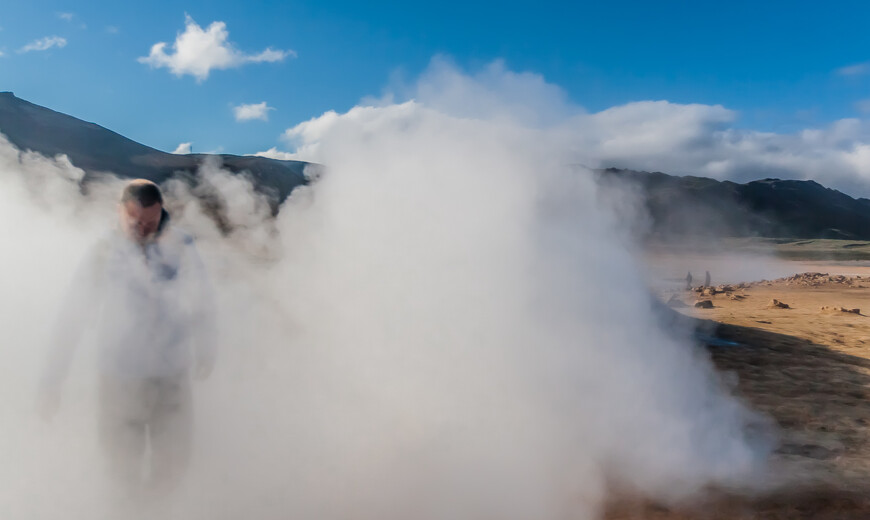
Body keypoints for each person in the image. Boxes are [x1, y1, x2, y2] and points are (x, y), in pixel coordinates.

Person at [38, 179, 217, 497]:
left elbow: (202, 299)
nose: (144, 229)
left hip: (170, 379)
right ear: (119, 211)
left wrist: (207, 347)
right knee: (121, 469)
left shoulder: (181, 246)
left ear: (161, 212)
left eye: (151, 221)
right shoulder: (103, 252)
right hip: (119, 381)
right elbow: (72, 316)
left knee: (174, 465)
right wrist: (52, 380)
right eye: (135, 221)